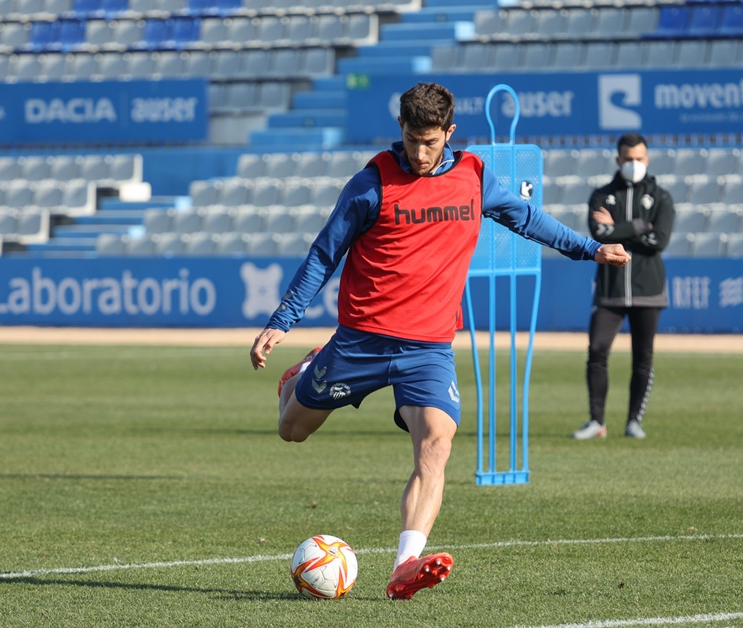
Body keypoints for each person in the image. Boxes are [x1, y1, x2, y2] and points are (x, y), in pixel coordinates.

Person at [250, 82, 631, 600]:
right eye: (411, 140)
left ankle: (405, 563)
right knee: (291, 430)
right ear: (400, 131)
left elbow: (528, 219)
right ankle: (304, 371)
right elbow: (324, 254)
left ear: (449, 133)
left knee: (436, 444)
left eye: (430, 142)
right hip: (360, 341)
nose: (420, 152)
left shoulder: (473, 177)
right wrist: (282, 321)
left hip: (427, 349)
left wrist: (590, 249)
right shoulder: (370, 184)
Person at [571, 133, 675, 441]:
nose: (634, 164)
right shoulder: (602, 195)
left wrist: (617, 230)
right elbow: (599, 233)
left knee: (643, 357)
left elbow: (660, 241)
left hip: (649, 288)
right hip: (610, 289)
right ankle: (596, 421)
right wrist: (640, 226)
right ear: (618, 160)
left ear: (647, 159)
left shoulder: (661, 197)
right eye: (628, 159)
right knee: (597, 350)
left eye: (639, 158)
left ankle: (634, 421)